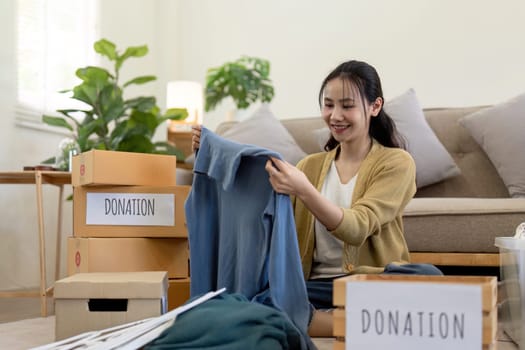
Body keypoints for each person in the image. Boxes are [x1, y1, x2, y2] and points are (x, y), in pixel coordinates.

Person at [191, 59, 441, 337]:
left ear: (375, 106)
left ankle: (312, 321)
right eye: (329, 104)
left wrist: (304, 190)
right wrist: (215, 153)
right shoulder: (308, 167)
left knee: (427, 277)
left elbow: (357, 228)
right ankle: (361, 323)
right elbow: (259, 203)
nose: (335, 115)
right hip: (315, 286)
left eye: (347, 106)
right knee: (256, 298)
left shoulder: (397, 163)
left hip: (368, 280)